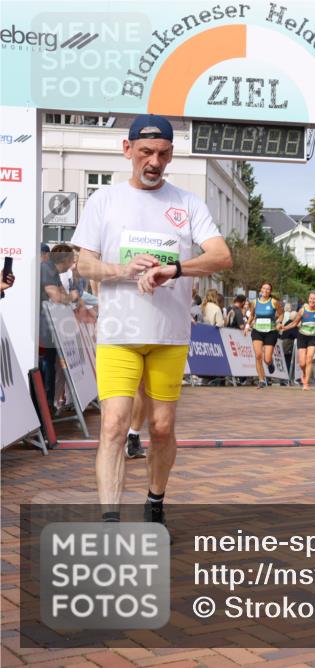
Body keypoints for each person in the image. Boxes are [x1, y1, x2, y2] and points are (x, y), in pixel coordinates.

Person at [73, 113, 232, 523]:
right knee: (113, 425)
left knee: (161, 427)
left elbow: (221, 256)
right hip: (119, 333)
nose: (154, 161)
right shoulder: (103, 200)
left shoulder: (187, 202)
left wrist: (175, 269)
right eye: (145, 152)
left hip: (169, 335)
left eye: (162, 153)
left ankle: (154, 504)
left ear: (171, 154)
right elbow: (83, 265)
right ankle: (110, 520)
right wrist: (122, 271)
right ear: (128, 150)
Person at [38, 244, 75, 408]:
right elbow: (58, 297)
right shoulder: (46, 268)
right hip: (43, 328)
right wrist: (71, 296)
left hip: (49, 327)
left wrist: (68, 297)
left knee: (51, 364)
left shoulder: (51, 269)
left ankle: (48, 405)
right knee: (48, 365)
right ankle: (45, 405)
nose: (73, 264)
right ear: (66, 260)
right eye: (72, 260)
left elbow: (62, 295)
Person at [287, 290, 315, 390]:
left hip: (313, 337)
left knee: (309, 359)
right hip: (302, 336)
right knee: (302, 363)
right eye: (310, 298)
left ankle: (306, 383)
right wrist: (284, 328)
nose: (312, 300)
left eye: (314, 299)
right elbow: (295, 323)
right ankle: (305, 374)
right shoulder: (302, 310)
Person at [247, 281, 283, 389]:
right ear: (260, 290)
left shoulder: (274, 302)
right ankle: (262, 380)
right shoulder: (254, 302)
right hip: (257, 330)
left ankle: (270, 363)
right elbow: (252, 316)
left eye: (268, 289)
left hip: (270, 332)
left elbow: (281, 314)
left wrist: (278, 323)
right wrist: (247, 326)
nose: (265, 291)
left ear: (270, 291)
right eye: (263, 288)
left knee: (267, 359)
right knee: (258, 355)